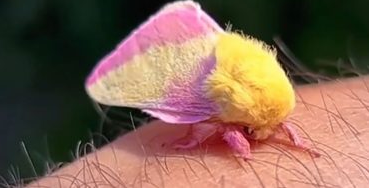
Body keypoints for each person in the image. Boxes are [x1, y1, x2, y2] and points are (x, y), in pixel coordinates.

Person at [28, 76, 369, 187]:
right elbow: (226, 132)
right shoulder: (228, 115)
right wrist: (243, 159)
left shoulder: (274, 110)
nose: (251, 137)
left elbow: (281, 123)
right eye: (250, 130)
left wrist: (300, 144)